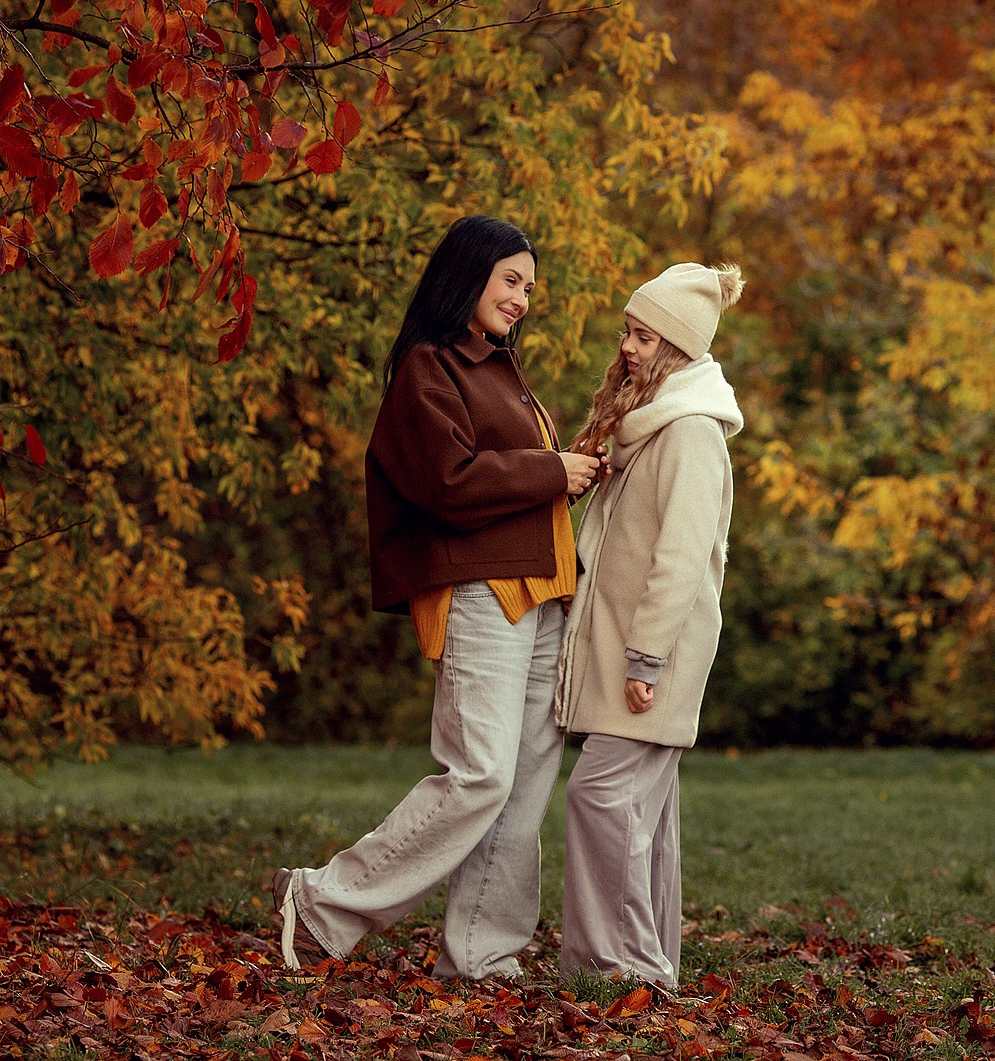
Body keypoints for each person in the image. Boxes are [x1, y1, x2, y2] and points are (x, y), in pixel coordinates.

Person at [270, 215, 604, 977]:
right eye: (511, 279)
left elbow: (508, 475)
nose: (522, 298)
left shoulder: (500, 367)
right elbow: (446, 481)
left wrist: (568, 470)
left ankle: (484, 952)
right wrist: (552, 469)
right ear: (468, 273)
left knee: (521, 786)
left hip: (544, 587)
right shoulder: (429, 367)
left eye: (529, 287)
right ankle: (322, 898)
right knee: (481, 773)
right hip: (481, 587)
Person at [554, 262, 746, 988]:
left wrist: (647, 657)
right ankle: (646, 964)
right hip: (631, 650)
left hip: (653, 655)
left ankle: (623, 966)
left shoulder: (690, 432)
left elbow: (682, 558)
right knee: (643, 811)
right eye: (628, 332)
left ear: (676, 345)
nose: (627, 346)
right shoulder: (653, 427)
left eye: (643, 335)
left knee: (600, 796)